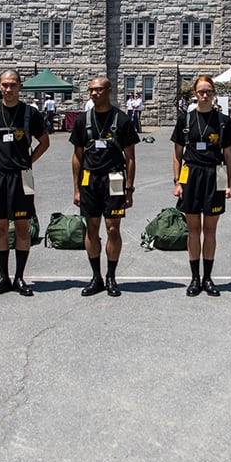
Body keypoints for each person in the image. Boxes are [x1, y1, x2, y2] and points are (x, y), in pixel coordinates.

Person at [0, 69, 50, 296]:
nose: (8, 89)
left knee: (22, 228)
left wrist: (28, 161)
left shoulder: (30, 114)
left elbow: (44, 142)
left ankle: (19, 277)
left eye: (13, 85)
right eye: (4, 85)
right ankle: (3, 278)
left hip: (22, 176)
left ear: (20, 87)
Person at [71, 76, 139, 297]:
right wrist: (76, 188)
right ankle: (96, 277)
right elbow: (77, 156)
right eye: (91, 90)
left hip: (114, 180)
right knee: (91, 229)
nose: (94, 94)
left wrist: (129, 189)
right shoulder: (83, 121)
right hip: (89, 180)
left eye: (98, 90)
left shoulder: (121, 120)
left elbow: (130, 157)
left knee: (112, 229)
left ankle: (111, 276)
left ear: (109, 91)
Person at [171, 76, 231, 296]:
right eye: (201, 92)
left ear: (214, 93)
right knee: (193, 229)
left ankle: (208, 278)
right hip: (191, 175)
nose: (205, 95)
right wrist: (177, 181)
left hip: (214, 174)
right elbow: (177, 153)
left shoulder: (224, 121)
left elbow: (228, 155)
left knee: (210, 229)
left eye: (208, 91)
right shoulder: (186, 120)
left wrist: (227, 184)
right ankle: (194, 278)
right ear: (195, 94)